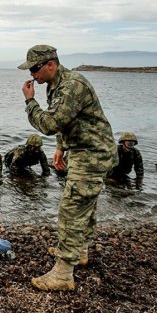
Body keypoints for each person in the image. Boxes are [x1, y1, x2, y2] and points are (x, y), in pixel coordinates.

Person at [19, 44, 116, 291]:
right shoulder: (56, 84)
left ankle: (63, 274)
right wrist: (62, 146)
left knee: (71, 210)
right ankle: (80, 251)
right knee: (85, 205)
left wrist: (30, 102)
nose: (32, 74)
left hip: (92, 154)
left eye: (35, 68)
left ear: (50, 64)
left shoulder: (73, 86)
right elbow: (66, 122)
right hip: (84, 151)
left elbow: (50, 123)